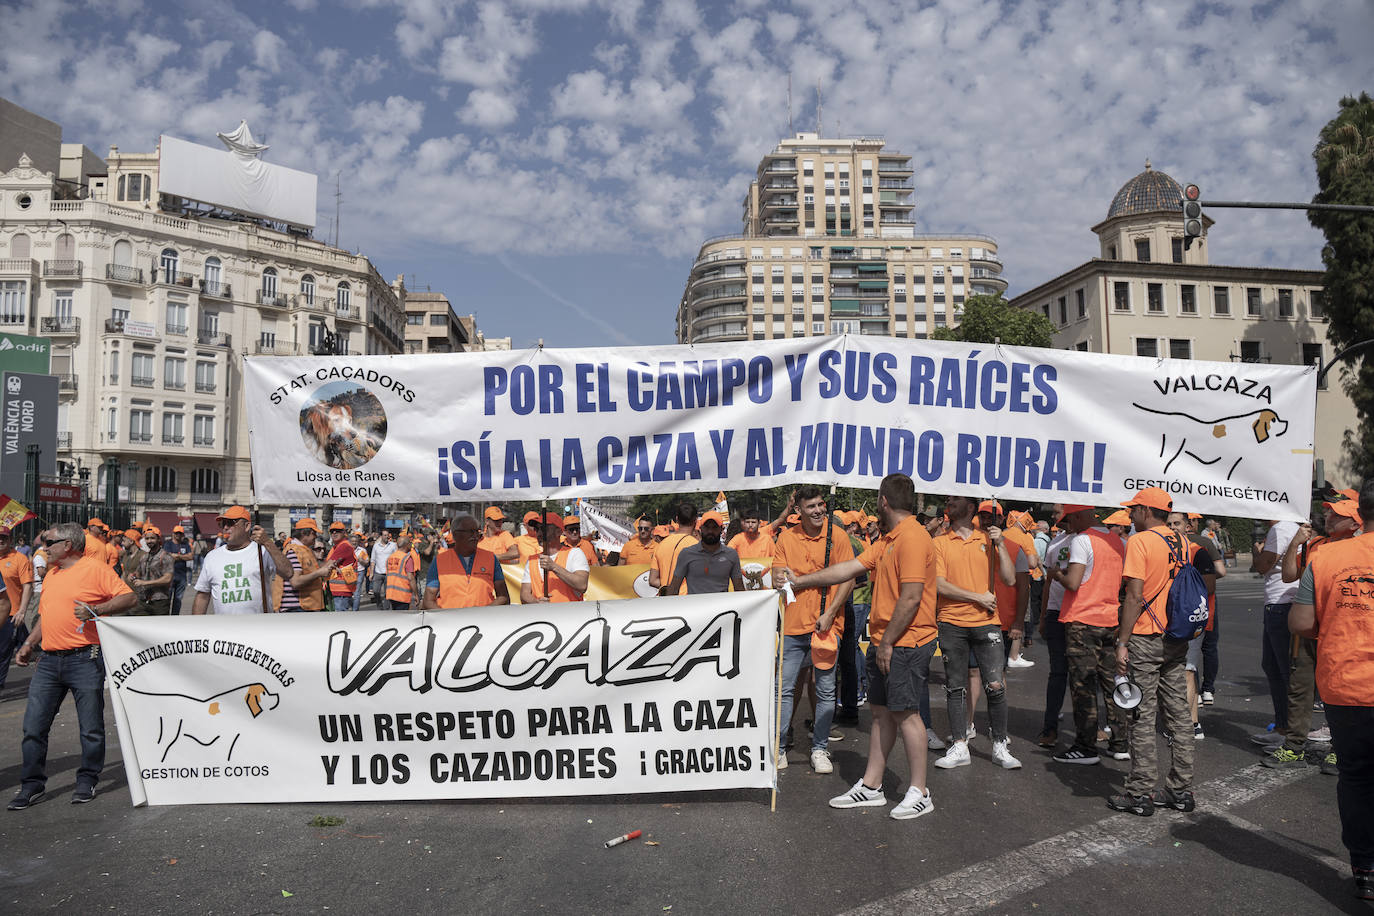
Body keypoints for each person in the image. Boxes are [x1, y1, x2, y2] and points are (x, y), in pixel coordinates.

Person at [780, 474, 940, 820]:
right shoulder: (889, 540)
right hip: (887, 640)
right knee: (882, 714)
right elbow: (848, 568)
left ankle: (920, 791)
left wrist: (887, 643)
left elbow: (912, 598)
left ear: (883, 501)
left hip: (905, 642)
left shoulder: (912, 538)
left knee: (907, 715)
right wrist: (803, 580)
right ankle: (871, 785)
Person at [8, 522, 137, 809]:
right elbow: (46, 615)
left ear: (68, 544)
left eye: (49, 541)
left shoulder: (95, 569)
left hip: (85, 658)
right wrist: (29, 643)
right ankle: (32, 785)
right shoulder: (52, 575)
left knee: (90, 728)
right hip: (48, 661)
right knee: (33, 726)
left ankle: (87, 779)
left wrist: (98, 610)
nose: (44, 546)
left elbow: (130, 596)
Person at [1289, 479, 1374, 902]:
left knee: (1357, 777)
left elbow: (1302, 624)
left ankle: (1366, 869)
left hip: (1347, 687)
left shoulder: (1327, 557)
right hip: (1349, 686)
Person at [1108, 487, 1196, 816]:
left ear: (1147, 510)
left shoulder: (1140, 542)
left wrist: (1122, 642)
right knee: (1178, 715)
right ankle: (1181, 789)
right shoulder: (1181, 540)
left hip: (1146, 635)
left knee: (1141, 716)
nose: (1130, 515)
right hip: (1175, 635)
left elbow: (1133, 596)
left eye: (1134, 510)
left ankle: (1140, 793)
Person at [1265, 493, 1362, 771]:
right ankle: (1294, 747)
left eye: (1338, 515)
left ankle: (1338, 749)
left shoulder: (1360, 551)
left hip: (1341, 631)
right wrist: (1296, 544)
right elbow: (1287, 576)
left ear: (1355, 524)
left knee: (1340, 691)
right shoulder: (1315, 545)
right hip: (1308, 630)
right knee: (1299, 688)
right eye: (1330, 513)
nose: (1329, 517)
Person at [932, 495, 1021, 770]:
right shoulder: (939, 542)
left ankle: (999, 745)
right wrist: (976, 598)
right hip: (951, 622)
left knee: (995, 685)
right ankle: (960, 745)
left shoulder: (988, 539)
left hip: (986, 623)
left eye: (954, 500)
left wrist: (1001, 544)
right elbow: (939, 585)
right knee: (955, 687)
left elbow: (1009, 579)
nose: (949, 503)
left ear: (969, 507)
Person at [769, 487, 854, 774]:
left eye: (821, 505)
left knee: (826, 690)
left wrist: (830, 613)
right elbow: (778, 578)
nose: (818, 510)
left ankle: (819, 748)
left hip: (827, 627)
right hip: (792, 626)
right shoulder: (786, 537)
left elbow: (848, 580)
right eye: (811, 507)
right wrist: (784, 579)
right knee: (784, 690)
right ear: (799, 511)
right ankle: (778, 748)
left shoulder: (838, 536)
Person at [1044, 506, 1131, 764]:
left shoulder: (1083, 540)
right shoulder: (1117, 540)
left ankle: (1086, 746)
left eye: (1069, 519)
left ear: (1081, 516)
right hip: (1109, 618)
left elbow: (1073, 582)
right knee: (1110, 682)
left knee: (1083, 686)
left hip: (1083, 620)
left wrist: (1055, 573)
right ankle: (1119, 741)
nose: (1067, 525)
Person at [1251, 516, 1302, 749]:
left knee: (1283, 669)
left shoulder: (1280, 529)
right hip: (1280, 603)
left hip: (1282, 603)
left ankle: (1291, 732)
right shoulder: (1288, 528)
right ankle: (1284, 727)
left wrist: (1257, 551)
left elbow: (1263, 566)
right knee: (1273, 666)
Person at [191, 507, 288, 615]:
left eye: (230, 523)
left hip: (259, 627)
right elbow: (203, 595)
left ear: (246, 526)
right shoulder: (212, 557)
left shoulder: (262, 551)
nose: (225, 528)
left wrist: (268, 542)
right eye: (223, 524)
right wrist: (196, 627)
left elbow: (288, 573)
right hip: (224, 628)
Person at [1034, 508, 1074, 749]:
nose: (1055, 514)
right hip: (1056, 614)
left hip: (1082, 617)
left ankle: (1095, 730)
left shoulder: (1090, 539)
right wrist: (1042, 616)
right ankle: (1050, 728)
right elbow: (1049, 580)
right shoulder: (1056, 541)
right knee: (1058, 673)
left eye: (1059, 510)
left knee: (1085, 677)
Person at [423, 514, 509, 609]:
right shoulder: (440, 561)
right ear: (456, 535)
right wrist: (447, 618)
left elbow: (503, 597)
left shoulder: (491, 558)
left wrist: (483, 614)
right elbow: (428, 601)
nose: (475, 536)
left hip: (483, 621)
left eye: (477, 531)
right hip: (450, 621)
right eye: (471, 532)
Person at [668, 512, 743, 595]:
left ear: (721, 529)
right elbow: (674, 588)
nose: (710, 531)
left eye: (714, 527)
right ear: (700, 528)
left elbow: (739, 589)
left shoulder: (731, 555)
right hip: (695, 606)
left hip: (722, 607)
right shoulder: (686, 554)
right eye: (706, 527)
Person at [519, 513, 587, 603]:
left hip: (569, 614)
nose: (539, 533)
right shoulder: (532, 560)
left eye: (544, 529)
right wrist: (537, 602)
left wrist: (554, 567)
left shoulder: (574, 553)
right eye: (537, 529)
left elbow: (582, 585)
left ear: (558, 531)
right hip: (541, 615)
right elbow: (524, 594)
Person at [0, 525, 36, 689]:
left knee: (2, 653)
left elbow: (27, 586)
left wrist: (22, 611)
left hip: (10, 615)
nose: (0, 541)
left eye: (4, 538)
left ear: (11, 540)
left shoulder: (19, 559)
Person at [273, 519, 333, 613]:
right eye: (313, 533)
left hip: (302, 608)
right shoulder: (294, 551)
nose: (316, 536)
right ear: (304, 533)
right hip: (297, 608)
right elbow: (296, 582)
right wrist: (319, 573)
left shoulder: (302, 550)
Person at [649, 503, 698, 595]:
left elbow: (653, 580)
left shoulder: (661, 545)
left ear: (676, 519)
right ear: (695, 521)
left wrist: (669, 587)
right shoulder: (697, 546)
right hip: (687, 601)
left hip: (666, 600)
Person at [129, 527, 174, 616]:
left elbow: (167, 579)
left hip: (160, 600)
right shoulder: (144, 557)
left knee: (159, 627)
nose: (149, 541)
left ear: (158, 539)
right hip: (143, 600)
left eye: (152, 538)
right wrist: (132, 575)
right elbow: (138, 573)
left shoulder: (166, 557)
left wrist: (145, 583)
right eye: (147, 538)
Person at [325, 521, 360, 611]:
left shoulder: (344, 546)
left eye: (338, 531)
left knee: (340, 620)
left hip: (341, 590)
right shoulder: (338, 546)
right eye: (332, 531)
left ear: (344, 533)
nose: (334, 533)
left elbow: (328, 565)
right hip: (341, 590)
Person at [384, 533, 422, 609]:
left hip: (391, 593)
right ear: (406, 545)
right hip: (402, 594)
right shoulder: (407, 558)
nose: (411, 546)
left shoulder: (390, 557)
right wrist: (416, 595)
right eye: (410, 544)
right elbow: (410, 578)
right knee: (402, 619)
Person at [163, 525, 193, 615]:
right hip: (170, 575)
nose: (178, 535)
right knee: (167, 598)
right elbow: (167, 556)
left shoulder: (185, 544)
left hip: (182, 576)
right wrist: (183, 557)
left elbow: (191, 556)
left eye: (180, 533)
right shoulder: (168, 544)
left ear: (182, 535)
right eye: (176, 533)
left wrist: (178, 556)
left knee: (178, 599)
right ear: (173, 534)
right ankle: (165, 615)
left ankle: (175, 616)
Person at [370, 529, 397, 606]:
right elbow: (373, 560)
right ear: (381, 536)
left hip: (389, 573)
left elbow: (396, 557)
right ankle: (379, 605)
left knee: (387, 593)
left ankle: (386, 609)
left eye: (387, 535)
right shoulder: (376, 546)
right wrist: (371, 573)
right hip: (378, 572)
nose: (386, 537)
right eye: (384, 535)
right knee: (375, 591)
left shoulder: (393, 545)